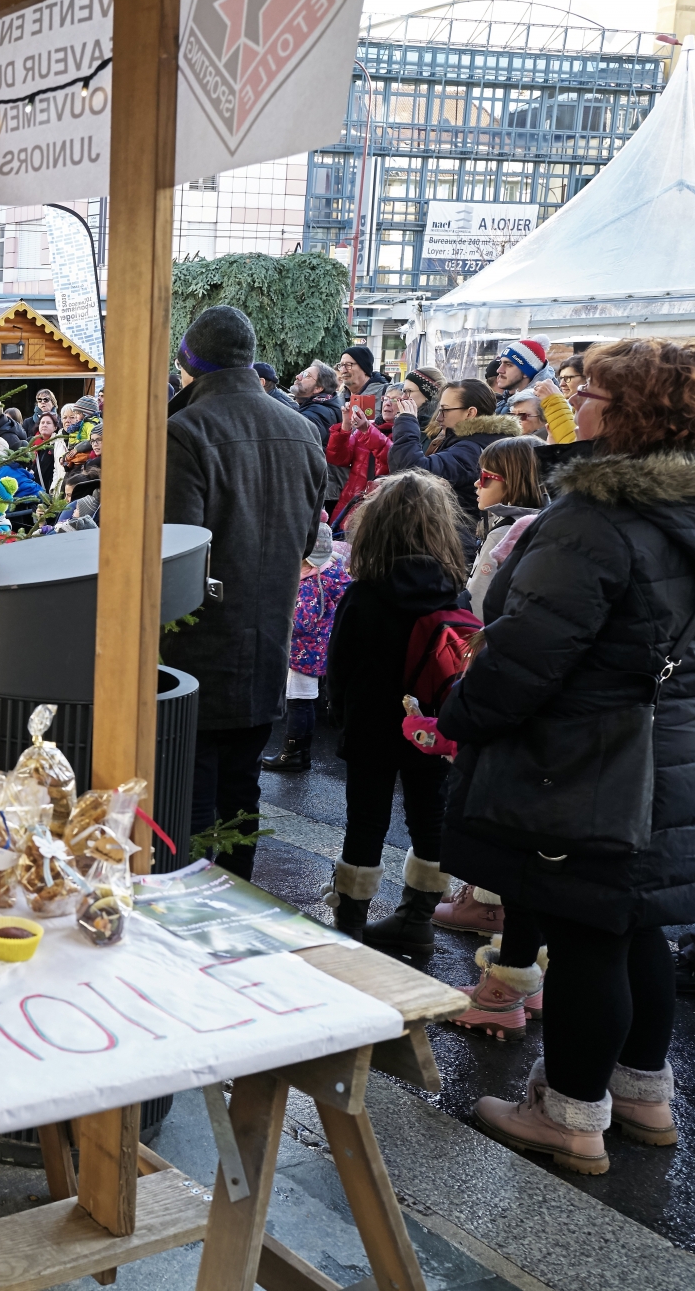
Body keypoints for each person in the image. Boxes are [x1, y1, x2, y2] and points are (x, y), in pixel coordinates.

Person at [440, 338, 695, 1174]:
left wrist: (461, 714)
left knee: (586, 938)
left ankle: (570, 1114)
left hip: (593, 763)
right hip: (691, 756)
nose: (574, 403)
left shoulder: (596, 519)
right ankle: (643, 1094)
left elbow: (527, 654)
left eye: (593, 395)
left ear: (632, 414)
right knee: (639, 928)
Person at [164, 307, 327, 878]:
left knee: (188, 803)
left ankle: (186, 935)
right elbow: (310, 538)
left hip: (193, 651)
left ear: (188, 362)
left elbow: (175, 555)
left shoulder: (185, 430)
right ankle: (237, 914)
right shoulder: (303, 429)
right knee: (243, 795)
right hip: (266, 645)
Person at [319, 470, 469, 950]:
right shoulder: (452, 588)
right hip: (433, 726)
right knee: (430, 816)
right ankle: (417, 919)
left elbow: (339, 667)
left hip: (371, 724)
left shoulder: (366, 593)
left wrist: (342, 716)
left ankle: (351, 922)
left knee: (366, 819)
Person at [386, 378, 521, 550]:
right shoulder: (475, 440)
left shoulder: (472, 448)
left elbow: (411, 472)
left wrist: (406, 421)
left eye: (445, 410)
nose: (439, 417)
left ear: (470, 413)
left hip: (456, 544)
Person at [262, 521, 349, 773]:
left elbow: (300, 622)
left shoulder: (313, 580)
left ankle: (294, 754)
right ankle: (301, 753)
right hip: (315, 648)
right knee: (306, 701)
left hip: (305, 651)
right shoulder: (332, 571)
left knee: (299, 701)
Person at [328, 374, 427, 536]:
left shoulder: (408, 433)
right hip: (351, 503)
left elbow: (394, 461)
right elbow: (338, 458)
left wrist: (367, 430)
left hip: (381, 507)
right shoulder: (369, 427)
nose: (387, 403)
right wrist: (345, 426)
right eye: (386, 398)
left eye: (394, 400)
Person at [463, 436, 547, 621]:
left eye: (485, 477)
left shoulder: (502, 534)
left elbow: (477, 604)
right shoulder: (546, 520)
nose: (477, 483)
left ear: (512, 482)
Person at [287, 360, 344, 435]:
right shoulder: (326, 402)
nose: (298, 377)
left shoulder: (313, 415)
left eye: (307, 375)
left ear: (318, 388)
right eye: (302, 373)